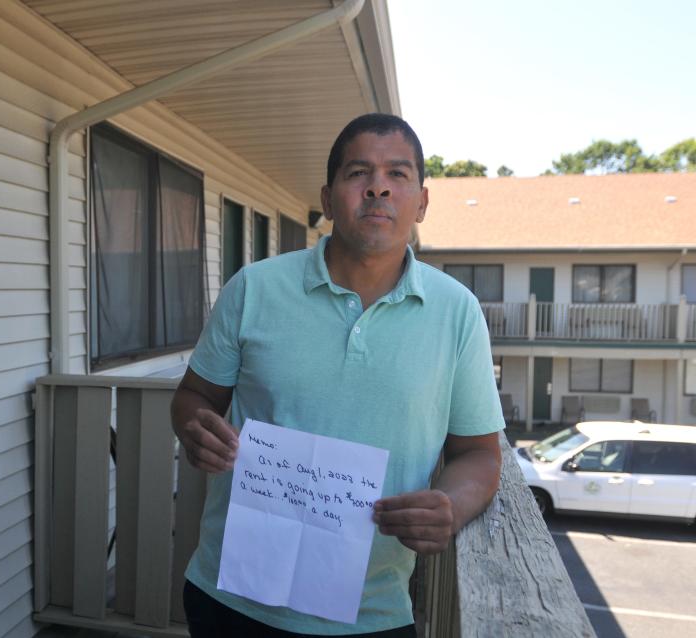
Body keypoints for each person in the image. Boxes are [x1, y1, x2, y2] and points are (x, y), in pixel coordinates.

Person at [170, 113, 504, 637]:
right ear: (327, 199)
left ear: (422, 201)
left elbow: (480, 453)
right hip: (232, 596)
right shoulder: (254, 288)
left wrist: (451, 505)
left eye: (398, 174)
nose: (378, 187)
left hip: (373, 614)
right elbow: (194, 397)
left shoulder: (457, 312)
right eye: (358, 174)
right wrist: (195, 429)